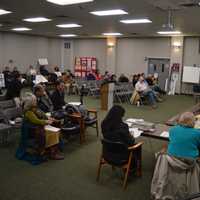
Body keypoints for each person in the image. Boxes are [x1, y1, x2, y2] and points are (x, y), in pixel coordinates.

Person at [16, 93, 64, 164]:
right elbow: (36, 121)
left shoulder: (35, 108)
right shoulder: (28, 112)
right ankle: (52, 153)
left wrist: (50, 118)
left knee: (55, 130)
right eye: (34, 100)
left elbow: (43, 115)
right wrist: (46, 121)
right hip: (32, 131)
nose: (36, 101)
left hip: (39, 127)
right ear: (31, 103)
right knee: (53, 132)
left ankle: (52, 151)